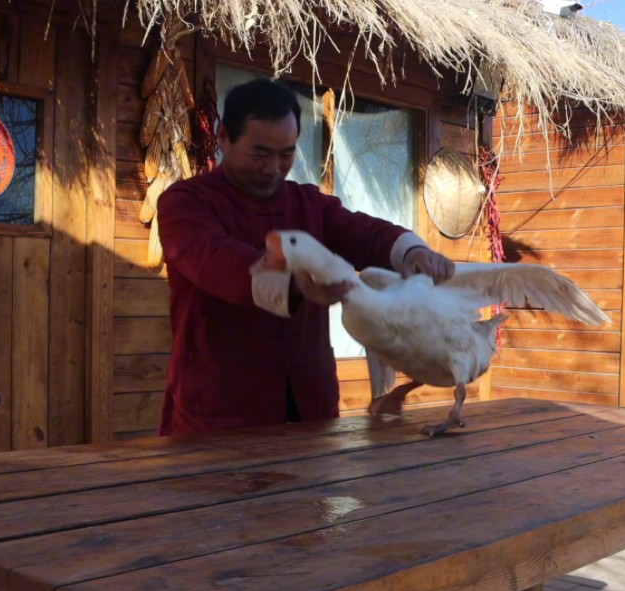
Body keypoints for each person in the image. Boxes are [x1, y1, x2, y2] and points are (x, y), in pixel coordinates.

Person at [155, 79, 455, 436]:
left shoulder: (308, 203)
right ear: (223, 137)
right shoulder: (185, 203)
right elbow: (217, 262)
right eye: (259, 153)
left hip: (311, 409)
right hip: (218, 412)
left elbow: (365, 233)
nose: (273, 168)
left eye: (287, 154)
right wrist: (293, 284)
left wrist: (413, 251)